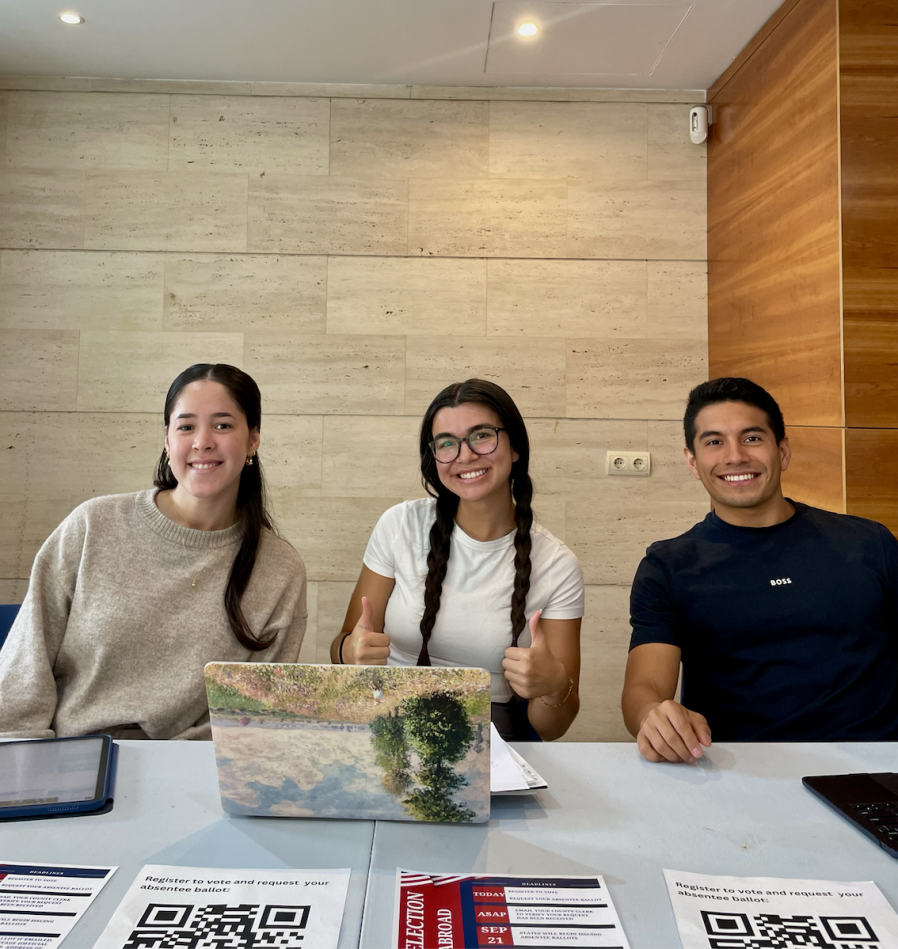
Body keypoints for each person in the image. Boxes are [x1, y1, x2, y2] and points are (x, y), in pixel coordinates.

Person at [0, 363, 307, 740]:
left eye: (223, 425)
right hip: (71, 761)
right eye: (186, 426)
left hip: (193, 775)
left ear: (253, 439)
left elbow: (255, 717)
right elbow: (22, 672)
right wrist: (25, 768)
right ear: (167, 438)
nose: (202, 441)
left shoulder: (279, 568)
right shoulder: (93, 525)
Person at [622, 376, 898, 762]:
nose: (735, 456)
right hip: (739, 772)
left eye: (752, 438)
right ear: (692, 460)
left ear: (782, 451)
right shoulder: (668, 565)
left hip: (874, 770)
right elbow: (645, 686)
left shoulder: (869, 543)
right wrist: (653, 715)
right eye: (714, 441)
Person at [331, 379, 584, 741]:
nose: (464, 456)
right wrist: (349, 651)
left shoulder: (557, 564)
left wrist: (555, 685)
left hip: (494, 737)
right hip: (388, 723)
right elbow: (341, 645)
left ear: (515, 447)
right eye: (446, 443)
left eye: (481, 436)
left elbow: (554, 727)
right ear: (434, 458)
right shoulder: (400, 524)